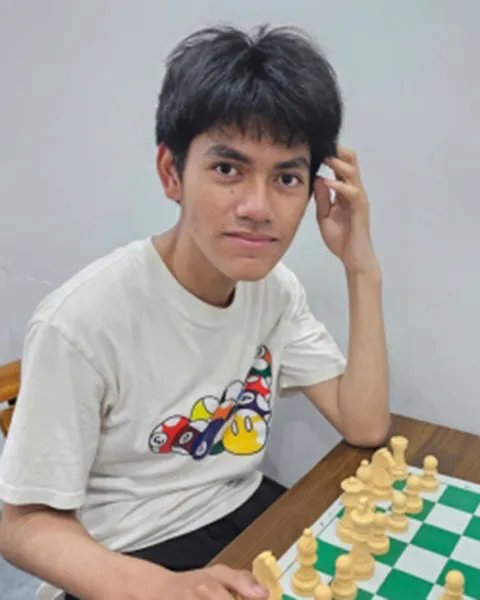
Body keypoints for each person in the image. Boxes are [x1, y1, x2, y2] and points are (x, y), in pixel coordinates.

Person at [0, 23, 390, 600]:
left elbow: (365, 425)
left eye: (287, 177)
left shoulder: (276, 292)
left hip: (243, 515)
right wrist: (162, 588)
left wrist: (362, 267)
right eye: (228, 169)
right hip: (123, 558)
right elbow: (21, 525)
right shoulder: (81, 321)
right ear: (171, 173)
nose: (258, 207)